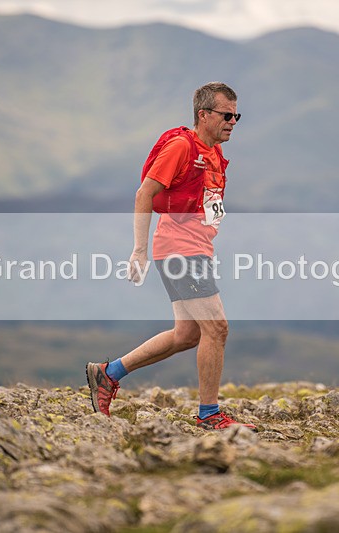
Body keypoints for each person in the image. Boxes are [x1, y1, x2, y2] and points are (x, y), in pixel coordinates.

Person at [86, 82, 256, 431]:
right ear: (203, 114)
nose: (233, 122)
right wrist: (139, 249)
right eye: (226, 115)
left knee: (188, 335)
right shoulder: (181, 147)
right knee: (217, 329)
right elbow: (144, 193)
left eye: (236, 115)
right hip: (180, 250)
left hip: (196, 249)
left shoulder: (212, 153)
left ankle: (108, 373)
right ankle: (209, 414)